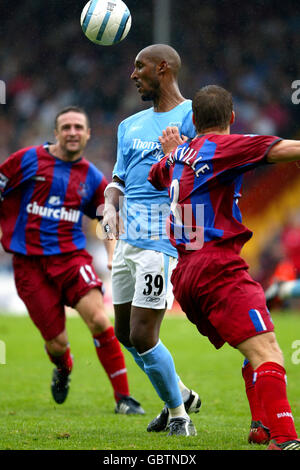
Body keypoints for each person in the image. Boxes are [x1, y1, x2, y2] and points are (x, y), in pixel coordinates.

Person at [148, 85, 300, 450]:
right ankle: (285, 439)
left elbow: (157, 176)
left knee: (255, 348)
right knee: (269, 353)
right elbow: (285, 150)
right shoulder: (226, 146)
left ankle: (262, 427)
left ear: (195, 120)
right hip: (217, 265)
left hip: (186, 274)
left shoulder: (178, 156)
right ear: (231, 119)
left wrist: (171, 153)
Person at [0, 106, 144, 416]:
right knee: (57, 343)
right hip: (29, 264)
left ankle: (124, 399)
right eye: (66, 127)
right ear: (56, 132)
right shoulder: (28, 159)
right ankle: (63, 367)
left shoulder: (92, 177)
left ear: (88, 134)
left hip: (71, 258)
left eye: (79, 127)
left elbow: (106, 218)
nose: (73, 132)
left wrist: (110, 255)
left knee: (100, 321)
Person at [102, 44, 201, 436]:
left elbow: (207, 169)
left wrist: (178, 156)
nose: (133, 74)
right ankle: (178, 393)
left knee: (144, 333)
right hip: (127, 237)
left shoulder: (194, 115)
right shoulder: (129, 125)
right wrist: (110, 203)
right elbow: (118, 179)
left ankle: (179, 416)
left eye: (139, 66)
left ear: (163, 68)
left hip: (164, 236)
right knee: (124, 333)